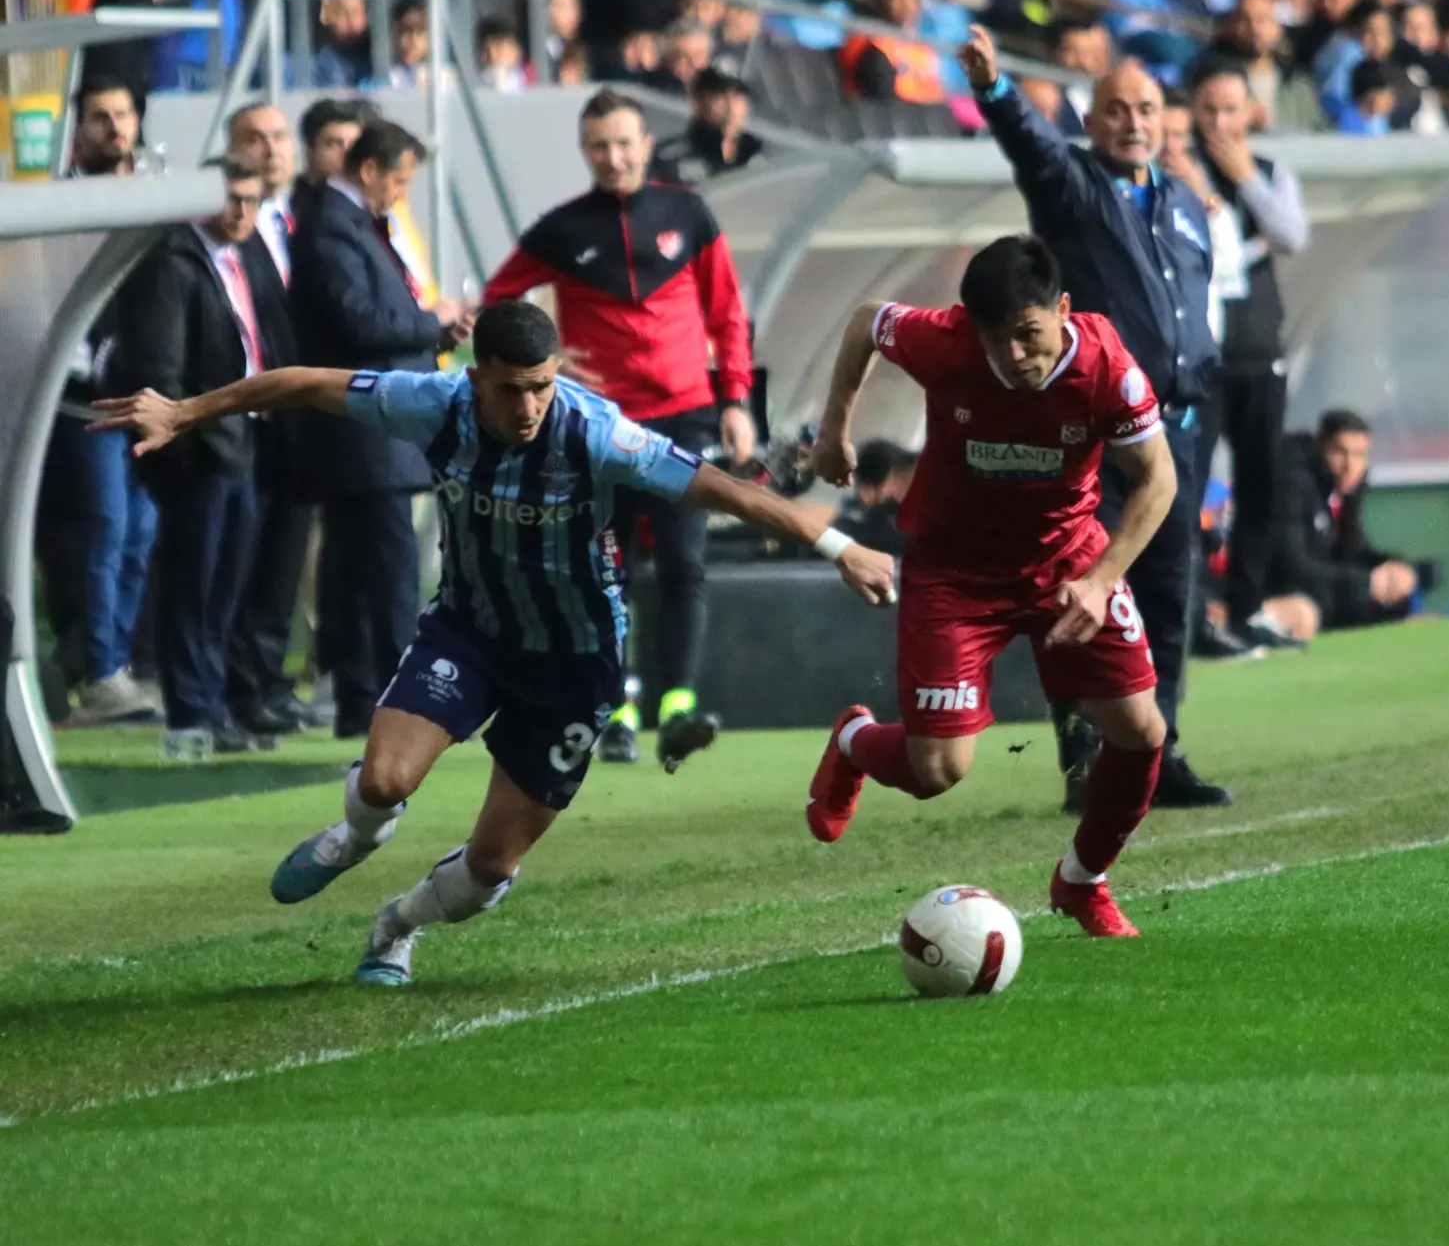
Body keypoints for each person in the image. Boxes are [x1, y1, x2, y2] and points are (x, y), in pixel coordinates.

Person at [91, 301, 897, 986]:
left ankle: (396, 924)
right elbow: (304, 382)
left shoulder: (597, 433)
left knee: (487, 874)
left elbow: (722, 489)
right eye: (512, 389)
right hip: (470, 632)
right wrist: (186, 410)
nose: (530, 406)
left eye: (543, 386)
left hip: (574, 663)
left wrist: (839, 549)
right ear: (476, 377)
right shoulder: (431, 403)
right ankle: (355, 837)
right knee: (381, 779)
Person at [807, 236, 1175, 938]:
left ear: (1063, 309)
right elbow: (864, 322)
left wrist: (1100, 581)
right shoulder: (941, 342)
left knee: (1139, 730)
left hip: (1069, 565)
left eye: (1029, 334)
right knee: (937, 769)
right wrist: (834, 429)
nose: (1013, 355)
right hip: (954, 574)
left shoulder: (1107, 368)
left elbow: (1159, 479)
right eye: (996, 339)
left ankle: (1082, 880)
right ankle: (856, 740)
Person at [958, 24, 1230, 810]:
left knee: (1170, 593)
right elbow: (1033, 151)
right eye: (1117, 109)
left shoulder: (1182, 200)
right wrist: (995, 89)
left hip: (1175, 428)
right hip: (1093, 432)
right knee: (1086, 589)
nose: (1133, 122)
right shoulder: (1073, 186)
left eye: (1147, 108)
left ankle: (1158, 754)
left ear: (1165, 118)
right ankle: (1085, 755)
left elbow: (1192, 304)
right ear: (1092, 118)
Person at [483, 88, 753, 772]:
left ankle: (679, 707)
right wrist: (545, 358)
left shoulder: (686, 212)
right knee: (608, 570)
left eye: (625, 142)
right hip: (598, 423)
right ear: (585, 151)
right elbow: (497, 300)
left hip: (686, 413)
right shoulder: (562, 227)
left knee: (686, 563)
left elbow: (728, 314)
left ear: (646, 144)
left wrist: (737, 399)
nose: (614, 156)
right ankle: (619, 711)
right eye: (600, 145)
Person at [292, 119, 471, 740]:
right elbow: (361, 321)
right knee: (387, 570)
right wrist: (432, 321)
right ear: (369, 171)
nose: (400, 193)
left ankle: (364, 702)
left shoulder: (351, 224)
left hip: (375, 428)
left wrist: (432, 330)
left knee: (355, 569)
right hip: (367, 431)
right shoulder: (330, 225)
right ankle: (403, 707)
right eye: (398, 179)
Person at [112, 157, 292, 756]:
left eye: (250, 200)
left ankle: (214, 708)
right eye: (230, 199)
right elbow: (158, 364)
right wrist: (184, 441)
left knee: (224, 590)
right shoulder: (172, 262)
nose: (241, 211)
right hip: (201, 450)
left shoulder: (241, 259)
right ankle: (191, 711)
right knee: (193, 586)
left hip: (246, 441)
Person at [37, 75, 160, 724]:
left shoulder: (153, 196)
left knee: (139, 530)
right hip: (84, 400)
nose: (114, 126)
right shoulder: (60, 202)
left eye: (122, 114)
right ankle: (98, 671)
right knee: (104, 531)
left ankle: (108, 662)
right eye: (99, 116)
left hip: (144, 394)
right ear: (77, 128)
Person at [1185, 62, 1312, 651]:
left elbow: (1291, 235)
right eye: (1208, 109)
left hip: (1260, 352)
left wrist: (1246, 181)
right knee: (1186, 484)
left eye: (1230, 110)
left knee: (1260, 483)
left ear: (1250, 114)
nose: (1219, 122)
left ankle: (1247, 606)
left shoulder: (1268, 171)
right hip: (1202, 356)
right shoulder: (1176, 170)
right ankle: (1188, 616)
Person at [224, 102, 316, 737]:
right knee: (242, 558)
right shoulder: (230, 231)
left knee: (285, 557)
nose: (270, 148)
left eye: (280, 137)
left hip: (300, 417)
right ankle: (241, 688)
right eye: (254, 138)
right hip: (247, 414)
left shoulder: (308, 221)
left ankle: (271, 681)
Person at [1266, 409, 1420, 637]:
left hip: (1324, 584)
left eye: (1360, 455)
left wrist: (1391, 567)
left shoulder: (1348, 489)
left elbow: (1353, 549)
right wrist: (1365, 582)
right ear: (1320, 448)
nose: (1350, 466)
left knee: (1395, 602)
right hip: (1284, 587)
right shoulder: (1294, 484)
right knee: (1333, 599)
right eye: (1340, 452)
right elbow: (1292, 565)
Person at [649, 69, 763, 187]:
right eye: (720, 95)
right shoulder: (668, 158)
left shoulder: (764, 156)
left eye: (738, 96)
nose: (731, 105)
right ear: (698, 101)